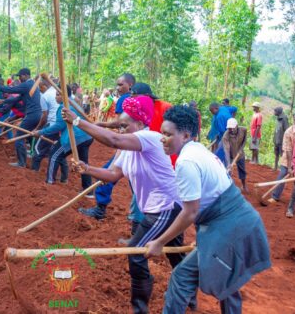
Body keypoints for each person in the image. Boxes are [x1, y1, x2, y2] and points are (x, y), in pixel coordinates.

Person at [62, 96, 196, 314]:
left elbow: (113, 139)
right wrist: (87, 169)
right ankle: (190, 294)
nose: (121, 130)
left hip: (166, 206)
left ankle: (140, 308)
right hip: (161, 207)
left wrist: (78, 122)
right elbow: (113, 174)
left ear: (140, 124)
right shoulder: (126, 149)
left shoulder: (151, 137)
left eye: (124, 126)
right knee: (174, 252)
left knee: (135, 252)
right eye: (119, 126)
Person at [145, 105, 271, 314]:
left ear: (185, 135)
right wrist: (208, 237)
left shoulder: (186, 162)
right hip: (238, 222)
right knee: (228, 282)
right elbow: (209, 201)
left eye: (167, 134)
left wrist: (159, 242)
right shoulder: (198, 149)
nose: (162, 138)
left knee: (182, 277)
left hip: (231, 226)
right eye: (161, 133)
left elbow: (191, 212)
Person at [80, 73, 137, 217]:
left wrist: (100, 125)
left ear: (130, 85)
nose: (117, 88)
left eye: (121, 84)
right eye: (117, 84)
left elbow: (119, 123)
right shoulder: (137, 99)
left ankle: (100, 209)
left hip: (127, 143)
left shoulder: (126, 99)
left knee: (108, 174)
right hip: (135, 143)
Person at [33, 86, 92, 191]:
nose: (55, 97)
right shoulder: (74, 103)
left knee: (54, 155)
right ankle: (88, 191)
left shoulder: (64, 107)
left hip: (75, 137)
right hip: (87, 136)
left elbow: (59, 126)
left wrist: (41, 132)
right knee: (83, 162)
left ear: (64, 95)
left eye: (58, 95)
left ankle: (49, 182)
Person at [0, 68, 41, 168]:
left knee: (18, 136)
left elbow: (10, 90)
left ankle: (21, 163)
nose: (19, 78)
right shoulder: (33, 85)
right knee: (30, 137)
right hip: (36, 115)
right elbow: (18, 98)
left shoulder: (27, 84)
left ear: (26, 75)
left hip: (31, 114)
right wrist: (3, 101)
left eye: (20, 76)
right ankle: (35, 163)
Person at [268, 112, 295, 204]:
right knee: (282, 175)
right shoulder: (288, 132)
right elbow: (288, 150)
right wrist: (289, 167)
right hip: (288, 157)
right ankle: (275, 196)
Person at [31, 79, 60, 172]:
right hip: (61, 125)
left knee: (38, 147)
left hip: (51, 125)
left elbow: (44, 116)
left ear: (44, 86)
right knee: (58, 148)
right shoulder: (58, 92)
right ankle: (64, 177)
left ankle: (34, 170)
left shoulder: (45, 96)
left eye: (40, 88)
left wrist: (38, 129)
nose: (40, 90)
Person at [221, 118, 248, 193]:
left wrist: (241, 148)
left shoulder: (243, 130)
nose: (231, 130)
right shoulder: (226, 136)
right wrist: (229, 163)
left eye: (232, 128)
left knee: (242, 170)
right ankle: (228, 188)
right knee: (228, 171)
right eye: (229, 128)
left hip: (240, 154)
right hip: (230, 155)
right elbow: (226, 150)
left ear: (237, 126)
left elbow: (245, 139)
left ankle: (244, 185)